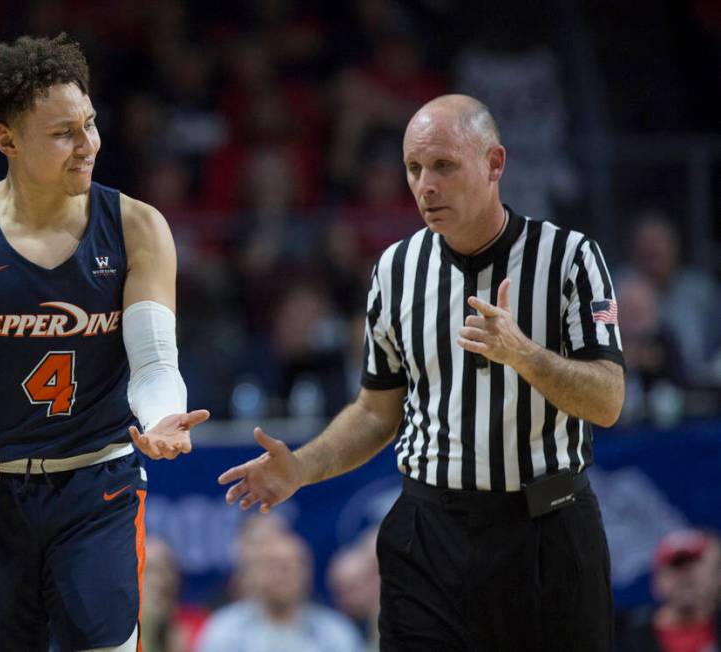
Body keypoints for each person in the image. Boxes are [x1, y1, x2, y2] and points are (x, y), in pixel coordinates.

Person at [219, 94, 625, 651]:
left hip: (546, 532)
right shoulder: (395, 268)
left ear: (494, 164)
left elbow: (608, 400)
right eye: (414, 169)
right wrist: (302, 468)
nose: (425, 186)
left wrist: (524, 354)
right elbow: (374, 411)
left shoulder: (569, 257)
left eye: (443, 166)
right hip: (429, 534)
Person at [0, 34, 209, 652]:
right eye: (64, 132)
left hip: (96, 484)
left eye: (91, 125)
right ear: (7, 140)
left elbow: (153, 363)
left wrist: (162, 418)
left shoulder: (137, 225)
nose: (89, 144)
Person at [195, 528, 363, 652]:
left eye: (291, 567)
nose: (282, 575)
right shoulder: (224, 629)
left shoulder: (335, 633)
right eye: (272, 565)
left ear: (307, 573)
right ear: (254, 574)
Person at [617, 529, 721, 652]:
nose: (686, 577)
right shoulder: (623, 636)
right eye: (675, 566)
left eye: (692, 567)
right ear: (656, 582)